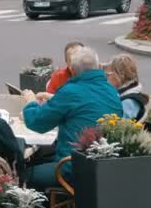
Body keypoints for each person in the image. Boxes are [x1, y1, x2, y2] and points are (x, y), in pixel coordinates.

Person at [21, 47, 123, 191]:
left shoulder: (71, 91)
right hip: (105, 167)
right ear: (99, 67)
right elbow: (85, 104)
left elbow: (37, 122)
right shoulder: (111, 91)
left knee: (22, 175)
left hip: (72, 168)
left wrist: (30, 102)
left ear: (73, 71)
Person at [104, 54, 149, 120]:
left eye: (108, 75)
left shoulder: (128, 102)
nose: (106, 78)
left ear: (121, 75)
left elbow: (117, 127)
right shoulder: (132, 91)